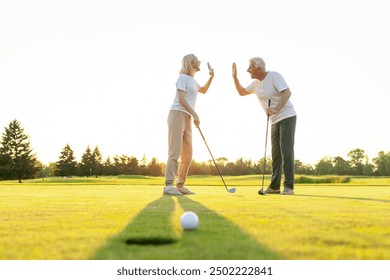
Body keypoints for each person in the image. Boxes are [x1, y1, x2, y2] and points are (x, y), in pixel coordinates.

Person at [232, 57, 297, 195]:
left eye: (250, 68)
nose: (248, 70)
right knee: (276, 154)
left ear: (259, 69)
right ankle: (274, 187)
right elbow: (242, 92)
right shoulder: (255, 83)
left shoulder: (274, 76)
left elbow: (287, 92)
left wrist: (276, 109)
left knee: (286, 151)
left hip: (287, 116)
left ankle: (289, 187)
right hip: (274, 120)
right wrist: (235, 78)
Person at [164, 54, 214, 195]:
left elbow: (203, 90)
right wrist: (196, 114)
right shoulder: (182, 78)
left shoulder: (192, 80)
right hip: (177, 114)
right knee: (175, 152)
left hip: (187, 116)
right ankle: (168, 186)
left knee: (187, 155)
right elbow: (181, 99)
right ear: (191, 63)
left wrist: (211, 77)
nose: (200, 62)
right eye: (197, 60)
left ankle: (180, 185)